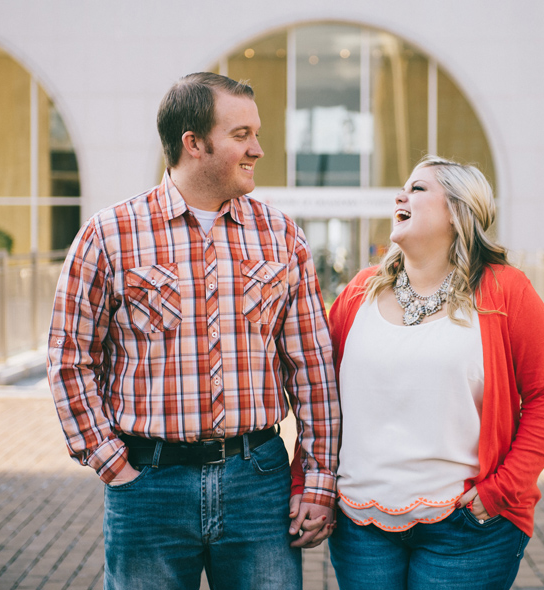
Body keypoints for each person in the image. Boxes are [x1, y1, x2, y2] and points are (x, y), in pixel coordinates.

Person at [48, 72, 340, 590]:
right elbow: (70, 360)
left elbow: (313, 368)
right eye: (242, 135)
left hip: (258, 484)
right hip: (149, 486)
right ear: (194, 143)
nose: (259, 148)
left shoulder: (281, 236)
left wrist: (318, 481)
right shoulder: (109, 235)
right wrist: (113, 466)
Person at [294, 155, 544, 589]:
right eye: (403, 188)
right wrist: (306, 483)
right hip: (359, 524)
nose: (401, 195)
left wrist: (503, 488)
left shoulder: (504, 290)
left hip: (466, 527)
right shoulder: (358, 294)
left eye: (419, 189)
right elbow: (320, 399)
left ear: (459, 211)